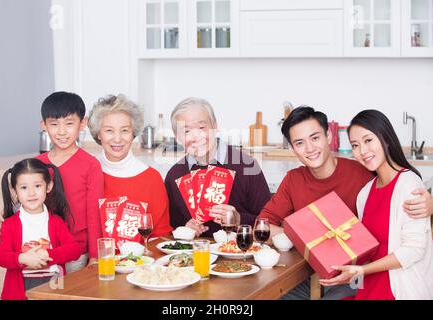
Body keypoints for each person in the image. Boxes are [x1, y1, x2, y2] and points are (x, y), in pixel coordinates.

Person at [257, 106, 433, 300]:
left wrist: (431, 204)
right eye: (356, 145)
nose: (309, 148)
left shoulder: (366, 176)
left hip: (365, 279)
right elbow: (262, 226)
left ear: (329, 137)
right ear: (292, 148)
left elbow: (412, 240)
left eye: (315, 138)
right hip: (313, 275)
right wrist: (309, 237)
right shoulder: (366, 190)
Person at [319, 110, 433, 299]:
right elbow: (367, 247)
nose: (362, 151)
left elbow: (414, 250)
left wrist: (360, 271)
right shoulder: (365, 192)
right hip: (368, 284)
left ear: (385, 138)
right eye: (355, 145)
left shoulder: (409, 184)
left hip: (398, 289)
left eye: (368, 140)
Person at [164, 97, 271, 237]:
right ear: (177, 136)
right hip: (197, 255)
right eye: (187, 131)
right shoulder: (175, 175)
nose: (197, 137)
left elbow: (268, 224)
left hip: (242, 253)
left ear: (215, 126)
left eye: (202, 127)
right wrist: (184, 228)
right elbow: (171, 227)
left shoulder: (247, 166)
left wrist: (238, 219)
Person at [88, 94, 172, 241]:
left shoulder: (151, 178)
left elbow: (161, 236)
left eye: (124, 130)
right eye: (109, 130)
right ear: (98, 134)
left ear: (133, 133)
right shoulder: (88, 173)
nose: (118, 138)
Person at [0, 158, 81, 300]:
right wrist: (23, 258)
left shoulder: (56, 222)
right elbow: (1, 257)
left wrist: (46, 255)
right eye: (23, 187)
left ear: (48, 187)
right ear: (15, 191)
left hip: (54, 285)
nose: (31, 193)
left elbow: (74, 250)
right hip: (20, 288)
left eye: (37, 186)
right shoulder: (9, 224)